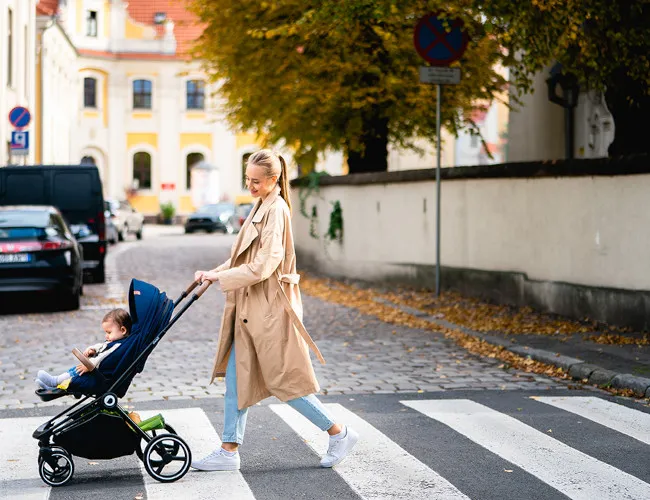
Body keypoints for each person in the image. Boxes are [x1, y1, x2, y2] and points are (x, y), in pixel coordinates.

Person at [191, 149, 358, 472]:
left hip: (269, 310)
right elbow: (243, 260)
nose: (250, 186)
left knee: (284, 382)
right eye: (247, 180)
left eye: (256, 181)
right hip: (252, 308)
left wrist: (221, 277)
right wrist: (214, 273)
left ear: (273, 179)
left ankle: (338, 433)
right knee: (237, 381)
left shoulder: (276, 209)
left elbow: (264, 265)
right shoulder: (262, 204)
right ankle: (228, 451)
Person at [35, 308, 132, 390]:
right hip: (97, 370)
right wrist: (93, 349)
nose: (106, 336)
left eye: (109, 332)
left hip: (99, 375)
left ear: (123, 330)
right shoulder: (115, 341)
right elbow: (102, 346)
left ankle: (54, 382)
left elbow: (104, 356)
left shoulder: (119, 346)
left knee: (77, 372)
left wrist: (90, 365)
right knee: (75, 369)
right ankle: (55, 386)